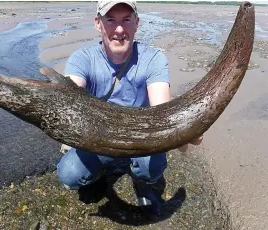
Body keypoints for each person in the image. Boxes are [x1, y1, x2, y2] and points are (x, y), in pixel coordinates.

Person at [57, 0, 203, 218]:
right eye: (110, 20)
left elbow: (161, 107)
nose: (118, 29)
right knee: (70, 175)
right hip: (98, 139)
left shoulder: (153, 58)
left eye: (126, 20)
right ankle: (100, 175)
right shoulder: (82, 59)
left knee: (150, 168)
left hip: (141, 141)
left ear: (137, 23)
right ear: (98, 23)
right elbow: (69, 99)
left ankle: (141, 179)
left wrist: (182, 131)